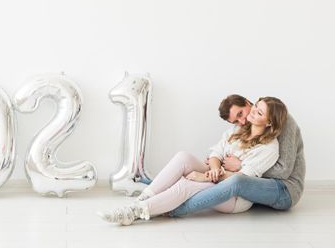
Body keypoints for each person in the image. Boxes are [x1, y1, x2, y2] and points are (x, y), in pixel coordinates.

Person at [99, 96, 288, 226]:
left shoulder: (269, 148)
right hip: (219, 176)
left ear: (270, 122)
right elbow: (216, 153)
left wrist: (205, 176)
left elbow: (243, 181)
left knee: (187, 183)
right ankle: (144, 198)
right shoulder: (238, 131)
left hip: (236, 197)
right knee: (183, 157)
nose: (252, 114)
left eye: (260, 113)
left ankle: (133, 213)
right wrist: (213, 170)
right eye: (256, 107)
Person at [168, 94, 305, 218]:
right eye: (235, 122)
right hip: (251, 183)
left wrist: (241, 166)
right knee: (189, 163)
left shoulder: (283, 119)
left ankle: (174, 208)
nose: (242, 122)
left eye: (241, 114)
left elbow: (283, 170)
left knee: (234, 180)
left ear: (247, 103)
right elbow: (222, 150)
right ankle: (160, 198)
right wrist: (219, 162)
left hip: (284, 188)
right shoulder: (249, 124)